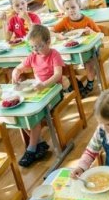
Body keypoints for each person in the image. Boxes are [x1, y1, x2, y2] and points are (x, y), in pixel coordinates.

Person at [11, 24, 70, 167]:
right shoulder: (33, 56)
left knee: (34, 117)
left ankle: (31, 149)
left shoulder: (54, 54)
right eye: (32, 47)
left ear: (48, 42)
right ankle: (40, 143)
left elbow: (58, 75)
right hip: (39, 92)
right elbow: (19, 68)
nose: (36, 50)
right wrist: (15, 73)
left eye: (39, 46)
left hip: (55, 92)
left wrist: (44, 84)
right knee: (21, 114)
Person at [52, 0, 101, 97]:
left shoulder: (87, 20)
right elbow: (52, 31)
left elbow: (99, 35)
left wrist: (91, 32)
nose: (70, 10)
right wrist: (58, 35)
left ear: (79, 6)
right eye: (67, 8)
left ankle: (90, 84)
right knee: (61, 63)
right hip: (73, 49)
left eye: (73, 7)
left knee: (88, 63)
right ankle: (75, 83)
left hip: (90, 49)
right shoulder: (65, 21)